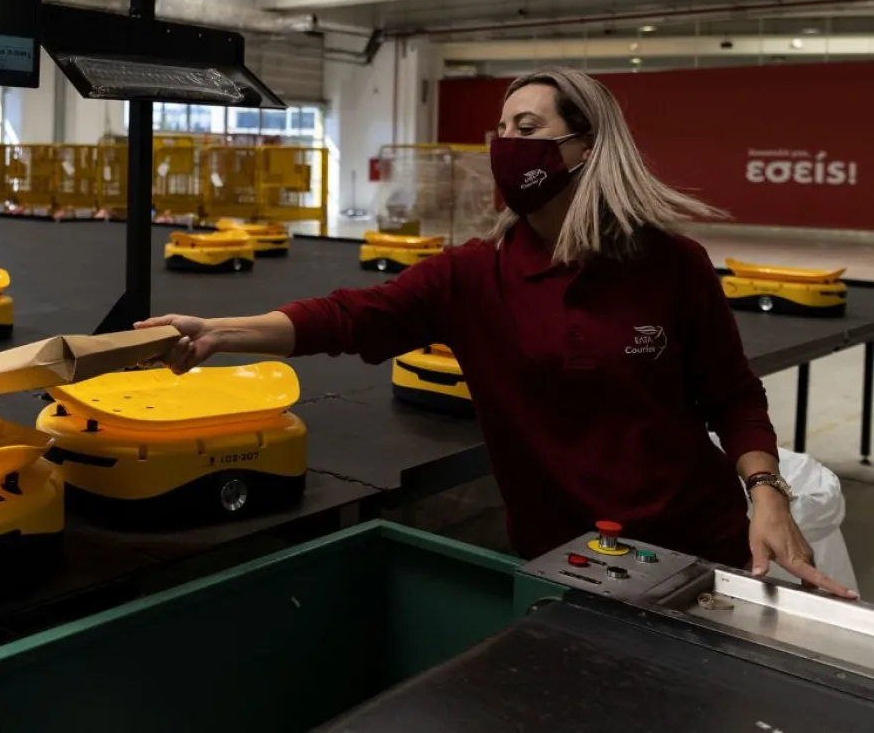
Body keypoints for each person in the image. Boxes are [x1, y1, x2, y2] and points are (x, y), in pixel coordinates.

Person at [139, 69, 854, 597]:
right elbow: (352, 316)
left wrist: (767, 493)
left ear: (586, 147)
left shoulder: (672, 266)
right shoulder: (472, 277)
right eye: (502, 129)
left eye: (528, 129)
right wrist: (220, 332)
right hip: (565, 560)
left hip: (700, 546)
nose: (506, 145)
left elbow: (730, 393)